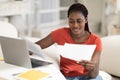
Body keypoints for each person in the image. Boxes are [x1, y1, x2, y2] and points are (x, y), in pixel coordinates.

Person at [35, 3, 102, 80]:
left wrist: (92, 67)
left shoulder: (96, 40)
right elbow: (36, 46)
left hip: (88, 76)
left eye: (79, 21)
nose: (75, 25)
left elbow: (94, 75)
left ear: (86, 20)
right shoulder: (60, 33)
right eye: (71, 21)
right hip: (67, 77)